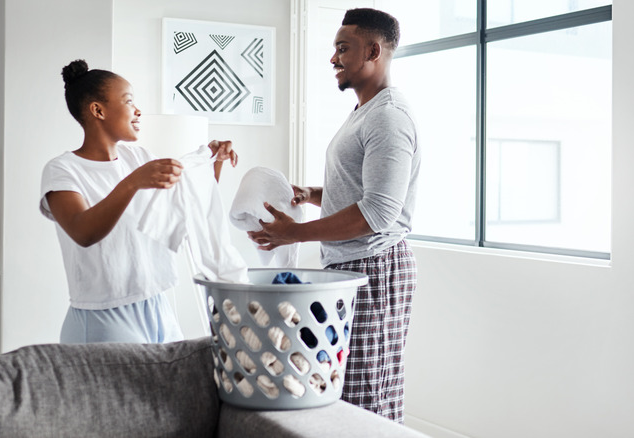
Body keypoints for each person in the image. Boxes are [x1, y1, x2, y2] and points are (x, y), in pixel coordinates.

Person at [247, 8, 420, 423]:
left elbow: (379, 211)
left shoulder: (388, 118)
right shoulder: (365, 112)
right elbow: (363, 191)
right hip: (352, 265)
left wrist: (295, 233)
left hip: (376, 267)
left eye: (343, 48)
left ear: (373, 51)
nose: (333, 58)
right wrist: (311, 194)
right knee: (343, 391)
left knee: (368, 401)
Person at [40, 59, 238, 344]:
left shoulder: (139, 158)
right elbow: (82, 232)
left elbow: (185, 208)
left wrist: (212, 163)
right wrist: (133, 182)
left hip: (157, 307)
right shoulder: (62, 170)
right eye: (129, 101)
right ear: (98, 110)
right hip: (102, 317)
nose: (138, 110)